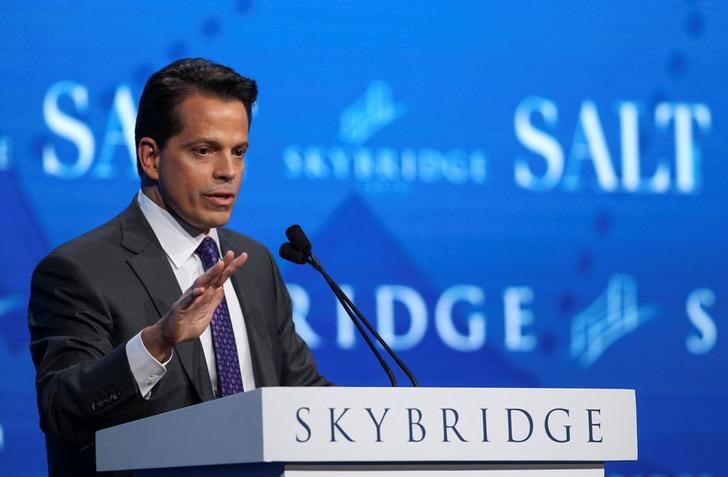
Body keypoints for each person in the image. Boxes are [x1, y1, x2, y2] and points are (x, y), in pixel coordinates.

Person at [28, 58, 330, 477]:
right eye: (204, 150)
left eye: (238, 151)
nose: (227, 171)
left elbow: (302, 397)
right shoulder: (77, 270)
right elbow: (62, 410)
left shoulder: (254, 262)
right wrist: (156, 343)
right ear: (150, 158)